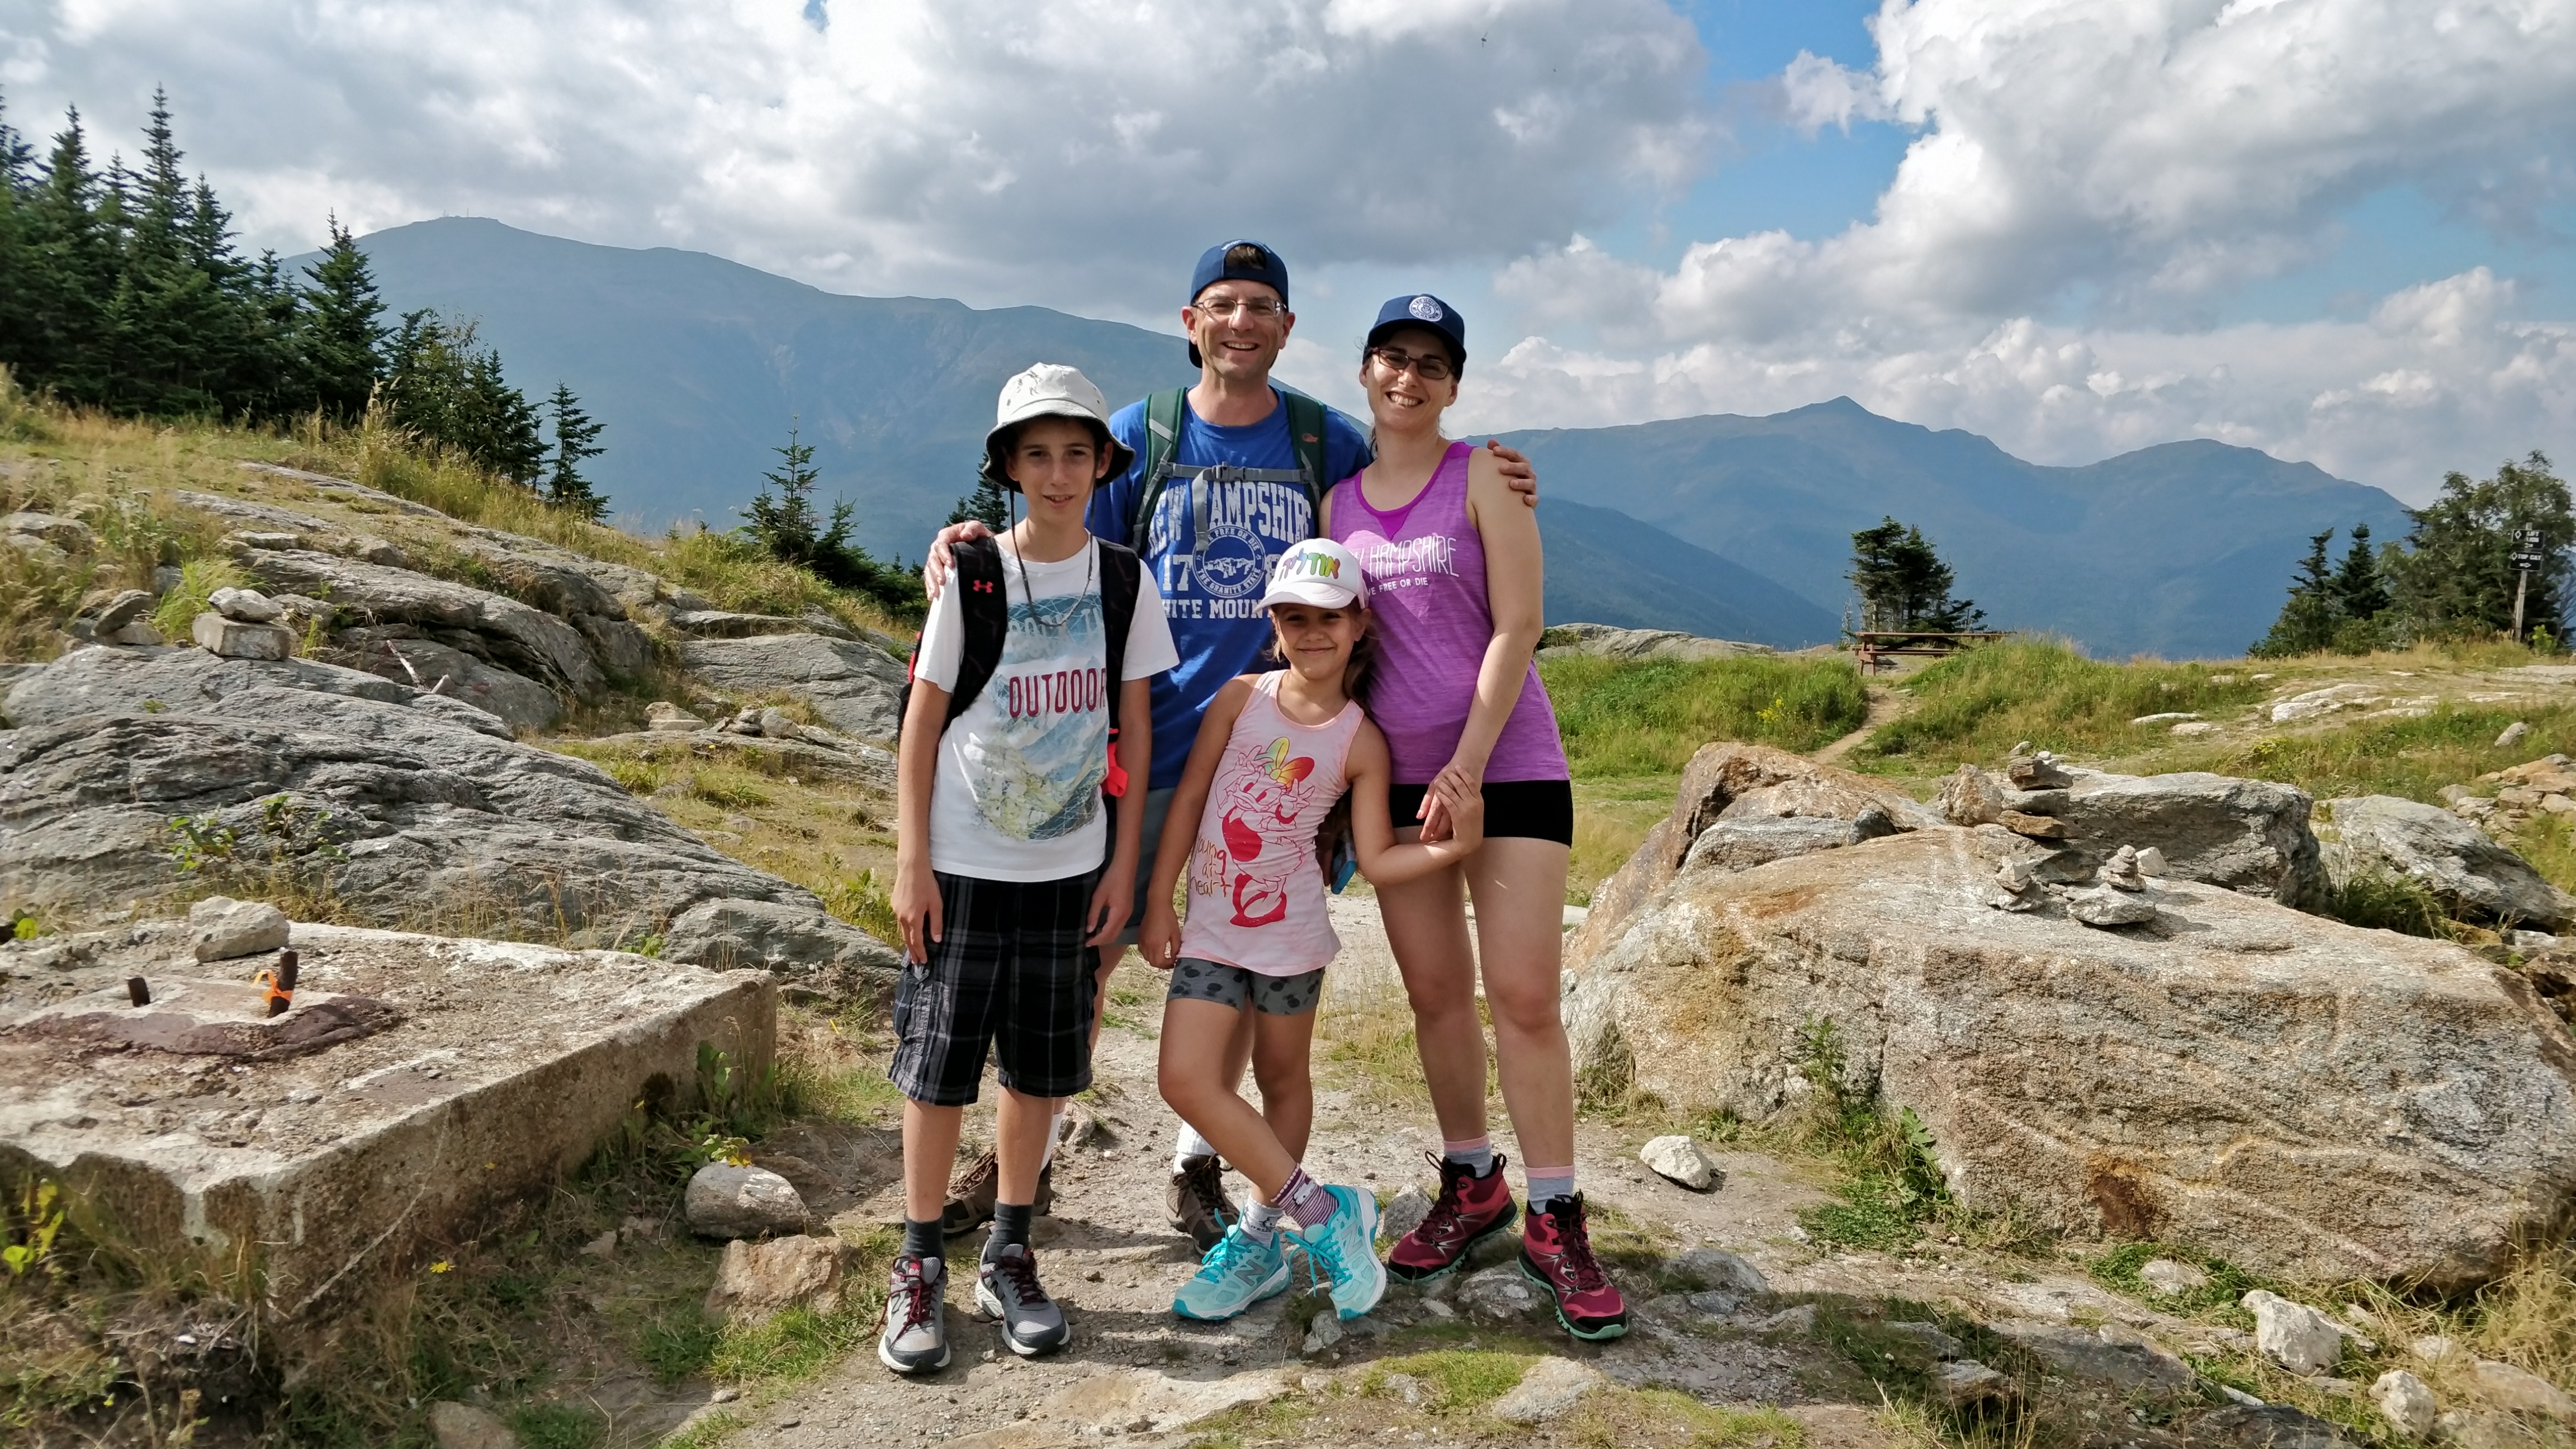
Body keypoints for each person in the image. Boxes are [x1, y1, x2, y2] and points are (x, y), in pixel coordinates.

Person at [927, 241, 1542, 1255]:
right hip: (1144, 741)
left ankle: (1199, 1161)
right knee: (1084, 960)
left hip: (1284, 759)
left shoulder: (1322, 440)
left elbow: (1410, 472)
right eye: (1223, 304)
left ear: (1288, 327)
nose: (1242, 322)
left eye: (1262, 306)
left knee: (1249, 957)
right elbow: (1062, 537)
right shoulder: (1141, 436)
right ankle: (1017, 1168)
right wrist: (968, 544)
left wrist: (1496, 470)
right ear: (1191, 321)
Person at [1323, 295, 1627, 1342]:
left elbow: (1520, 624)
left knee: (1527, 996)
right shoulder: (1335, 499)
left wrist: (1468, 763)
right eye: (1392, 358)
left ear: (1454, 384)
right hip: (1397, 778)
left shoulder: (1485, 476)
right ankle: (1471, 1182)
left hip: (1512, 769)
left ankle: (1556, 1213)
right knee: (1436, 994)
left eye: (1431, 365)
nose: (1408, 378)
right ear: (1365, 370)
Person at [879, 364, 1178, 1374]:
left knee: (1038, 1071)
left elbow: (1135, 725)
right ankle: (919, 1260)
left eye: (1076, 454)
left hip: (1070, 868)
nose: (1058, 474)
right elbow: (922, 726)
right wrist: (913, 862)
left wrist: (1122, 867)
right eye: (1037, 455)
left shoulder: (1124, 580)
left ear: (1103, 465)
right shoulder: (973, 576)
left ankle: (1010, 1250)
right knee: (938, 1070)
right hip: (963, 867)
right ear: (1008, 467)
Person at [1139, 539, 1486, 1324]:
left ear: (1360, 624)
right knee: (1185, 1080)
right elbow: (1191, 798)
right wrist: (1160, 900)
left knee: (1281, 1080)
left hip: (1291, 938)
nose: (1312, 632)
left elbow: (1378, 859)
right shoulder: (1240, 698)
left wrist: (1455, 847)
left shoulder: (1362, 741)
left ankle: (1261, 1241)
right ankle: (1325, 1212)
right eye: (1294, 617)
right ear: (1274, 626)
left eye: (1329, 617)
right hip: (1212, 930)